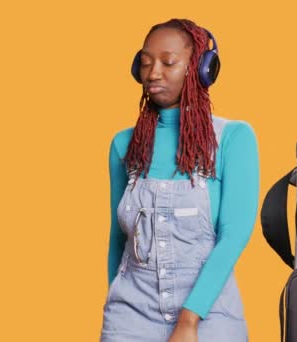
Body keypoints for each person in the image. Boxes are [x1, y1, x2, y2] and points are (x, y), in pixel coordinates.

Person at [99, 18, 259, 342]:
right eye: (145, 63)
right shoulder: (123, 145)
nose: (153, 73)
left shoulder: (233, 139)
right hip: (130, 317)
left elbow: (234, 234)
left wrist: (189, 320)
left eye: (168, 62)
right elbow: (119, 239)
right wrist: (116, 310)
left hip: (210, 314)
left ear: (201, 68)